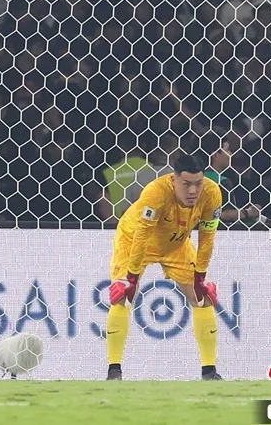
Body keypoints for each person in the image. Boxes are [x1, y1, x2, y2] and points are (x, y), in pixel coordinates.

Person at [105, 154, 223, 381]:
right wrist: (131, 278)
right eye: (186, 184)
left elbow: (207, 237)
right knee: (123, 295)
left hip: (176, 243)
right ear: (174, 179)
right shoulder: (156, 192)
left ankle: (209, 372)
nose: (193, 191)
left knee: (203, 298)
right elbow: (142, 235)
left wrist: (200, 277)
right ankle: (114, 371)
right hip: (135, 239)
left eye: (198, 184)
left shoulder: (212, 193)